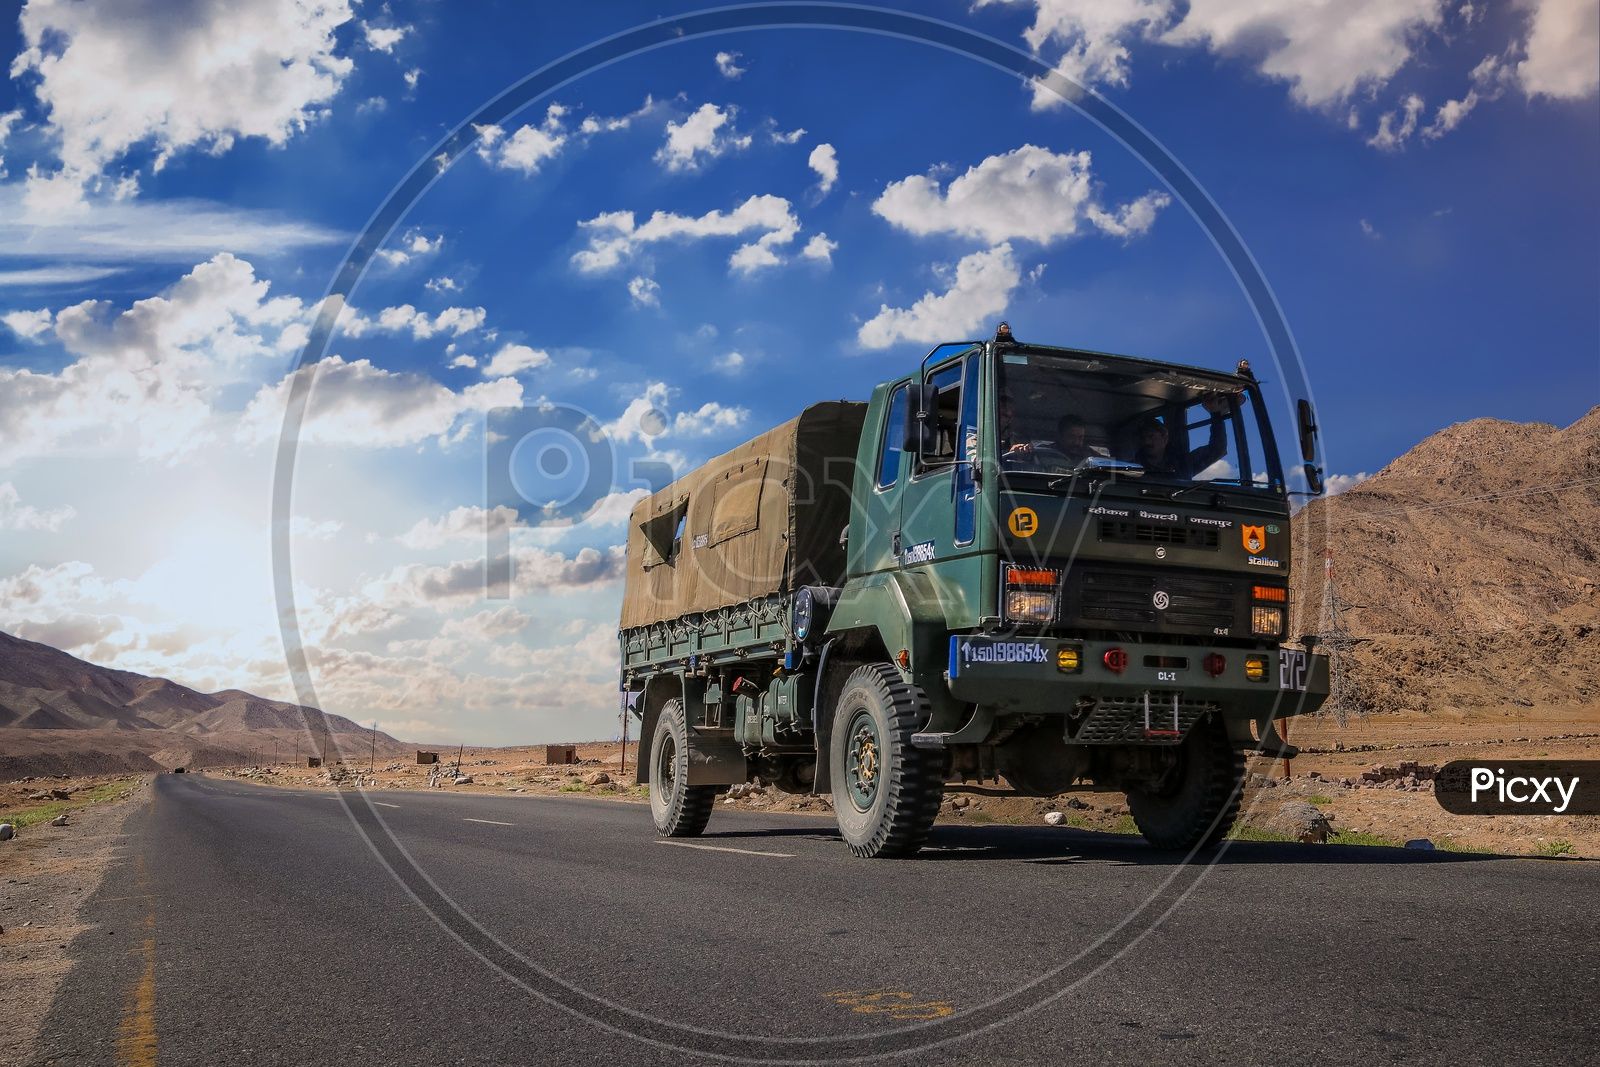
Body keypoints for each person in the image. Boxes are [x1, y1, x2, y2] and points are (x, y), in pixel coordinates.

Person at [1132, 397, 1232, 478]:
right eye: (1142, 437)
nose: (1146, 441)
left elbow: (1217, 450)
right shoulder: (1129, 466)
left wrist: (1215, 414)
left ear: (1164, 437)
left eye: (1151, 436)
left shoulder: (1183, 463)